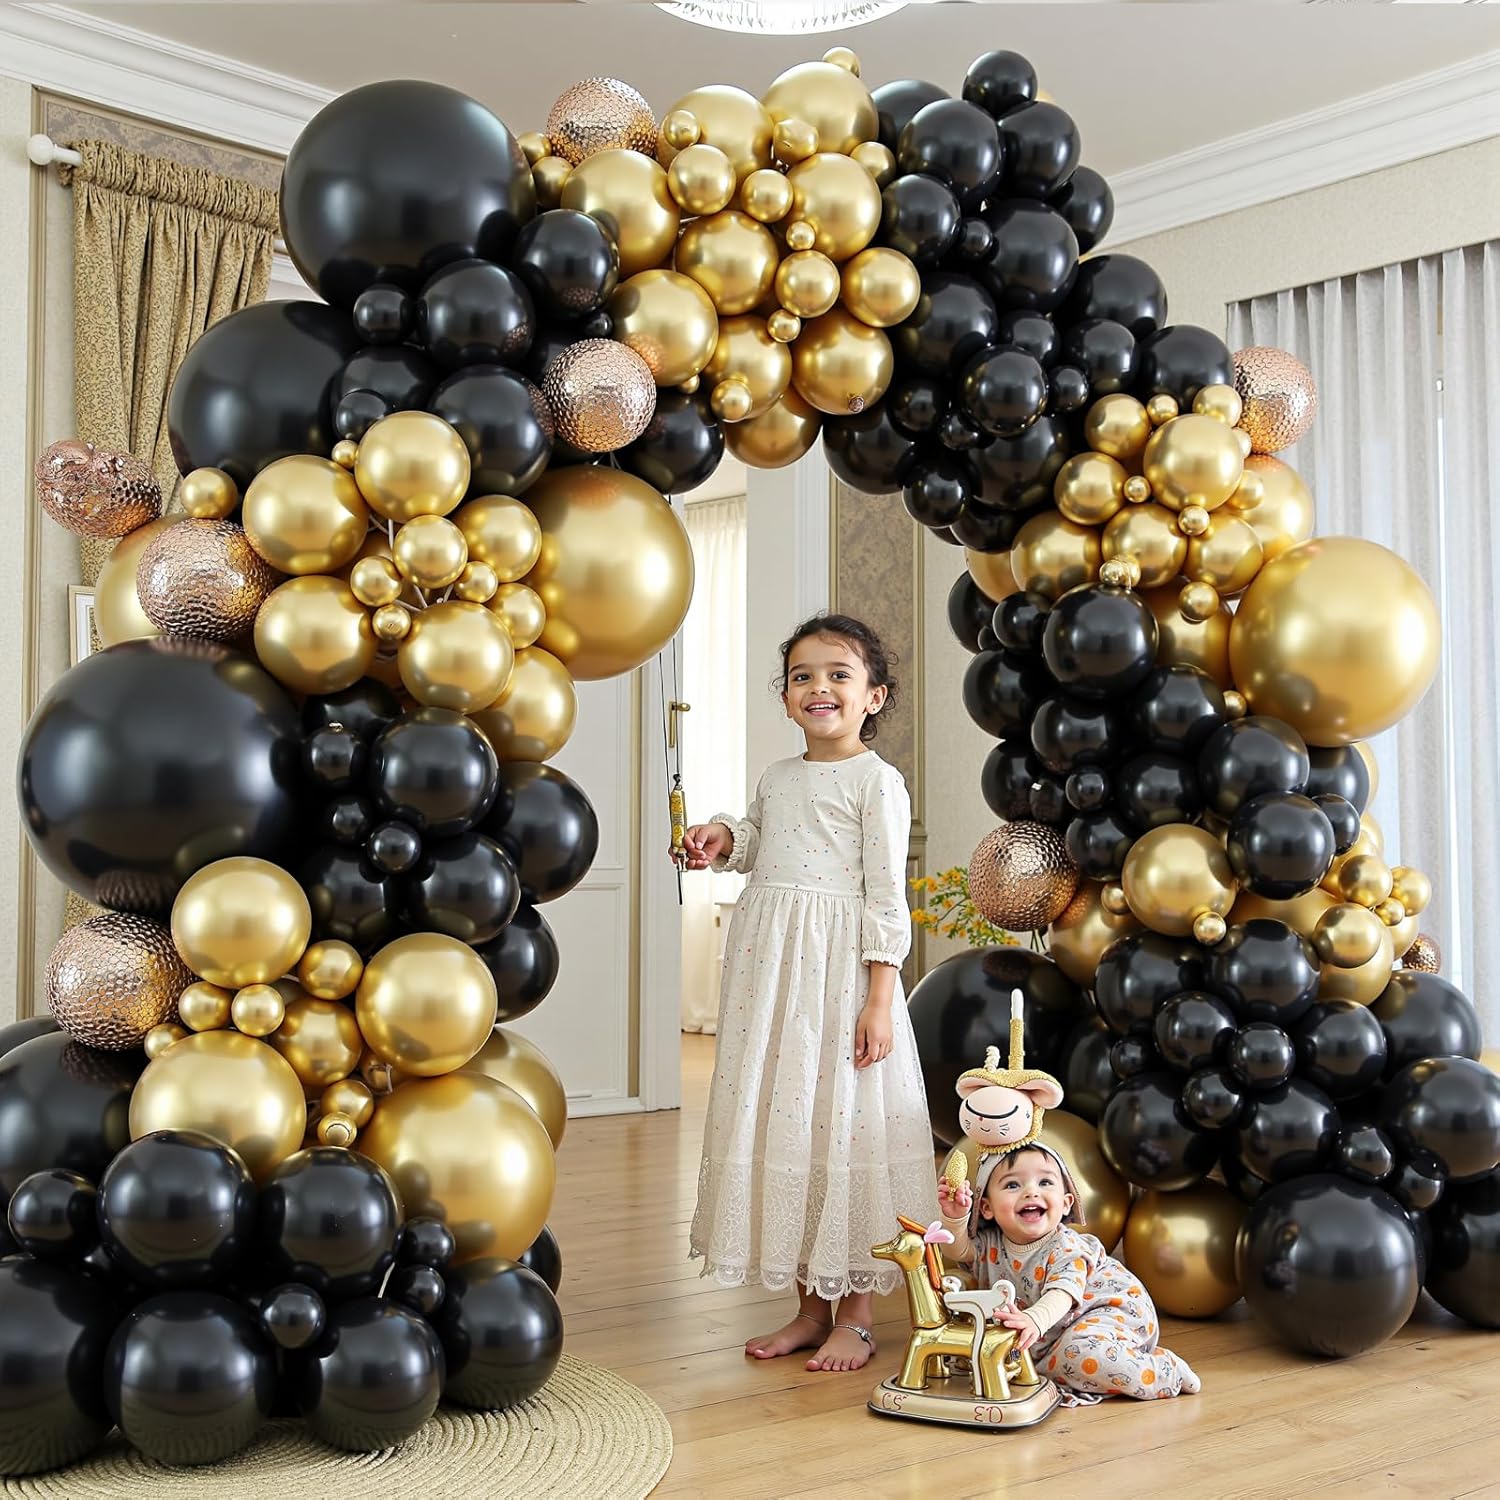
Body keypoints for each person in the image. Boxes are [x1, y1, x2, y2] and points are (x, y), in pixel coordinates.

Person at [681, 613, 936, 1373]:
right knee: (789, 1124)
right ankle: (808, 1307)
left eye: (838, 675)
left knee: (843, 1125)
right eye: (802, 676)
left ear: (873, 697)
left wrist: (880, 999)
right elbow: (763, 837)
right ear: (787, 697)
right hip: (773, 980)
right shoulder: (778, 776)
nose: (818, 687)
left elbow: (886, 896)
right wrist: (725, 838)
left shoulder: (877, 782)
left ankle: (855, 1315)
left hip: (839, 976)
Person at [936, 1141, 1201, 1403]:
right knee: (1041, 1363)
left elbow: (1062, 1293)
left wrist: (1034, 1319)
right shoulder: (990, 1244)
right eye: (1012, 1185)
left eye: (1045, 1182)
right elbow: (958, 1250)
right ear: (987, 1208)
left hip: (1112, 1309)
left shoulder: (1065, 1247)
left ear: (1065, 1203)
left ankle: (1165, 1371)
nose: (1031, 1192)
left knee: (1083, 1357)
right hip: (1058, 1328)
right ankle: (1083, 1355)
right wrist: (954, 1218)